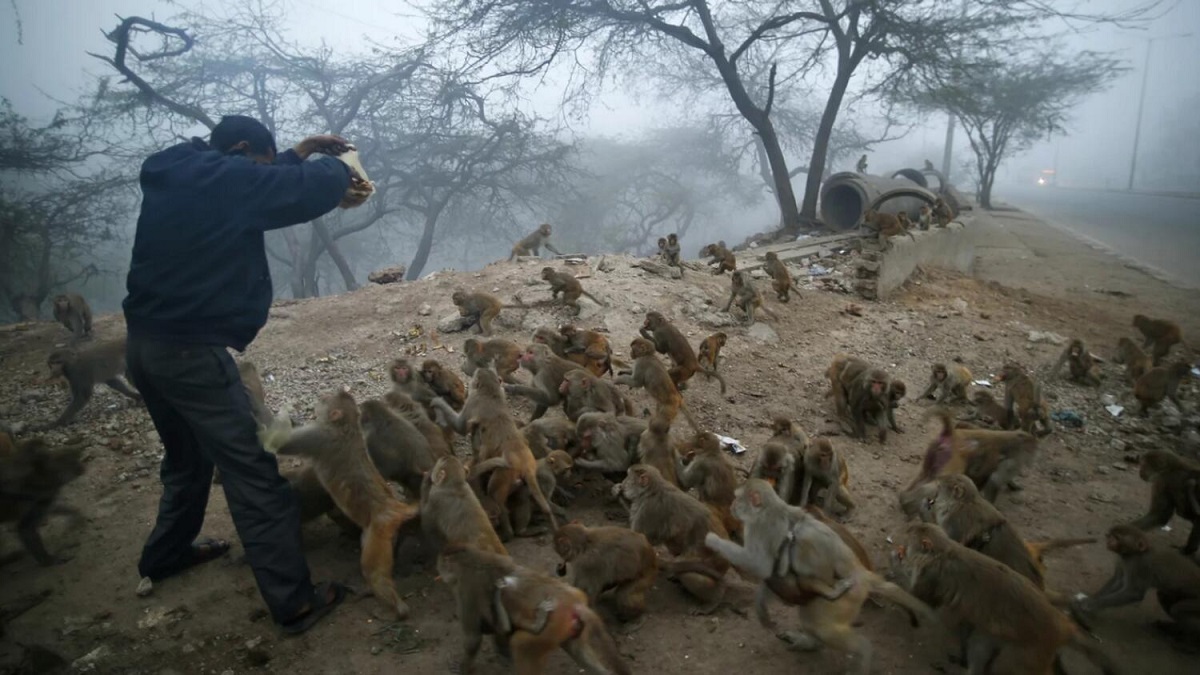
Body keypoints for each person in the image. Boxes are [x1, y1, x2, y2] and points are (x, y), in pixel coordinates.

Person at [123, 115, 358, 634]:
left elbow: (253, 181)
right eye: (263, 164)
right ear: (245, 149)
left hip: (143, 345)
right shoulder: (221, 181)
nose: (263, 176)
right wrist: (341, 169)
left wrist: (293, 153)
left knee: (186, 458)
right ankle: (295, 601)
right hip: (189, 352)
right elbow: (294, 191)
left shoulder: (187, 171)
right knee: (252, 472)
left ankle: (166, 554)